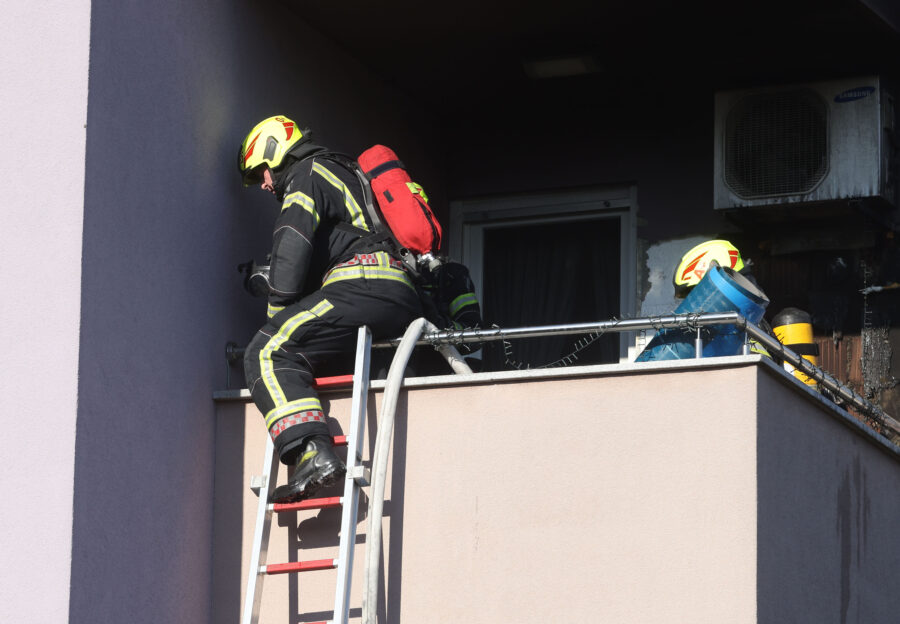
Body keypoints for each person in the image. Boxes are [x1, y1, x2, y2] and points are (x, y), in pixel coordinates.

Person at [237, 115, 423, 504]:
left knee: (267, 351)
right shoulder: (345, 173)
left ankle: (312, 454)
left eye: (261, 172)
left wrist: (276, 316)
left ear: (275, 150)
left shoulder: (306, 174)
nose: (264, 184)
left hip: (362, 285)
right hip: (398, 292)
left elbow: (292, 244)